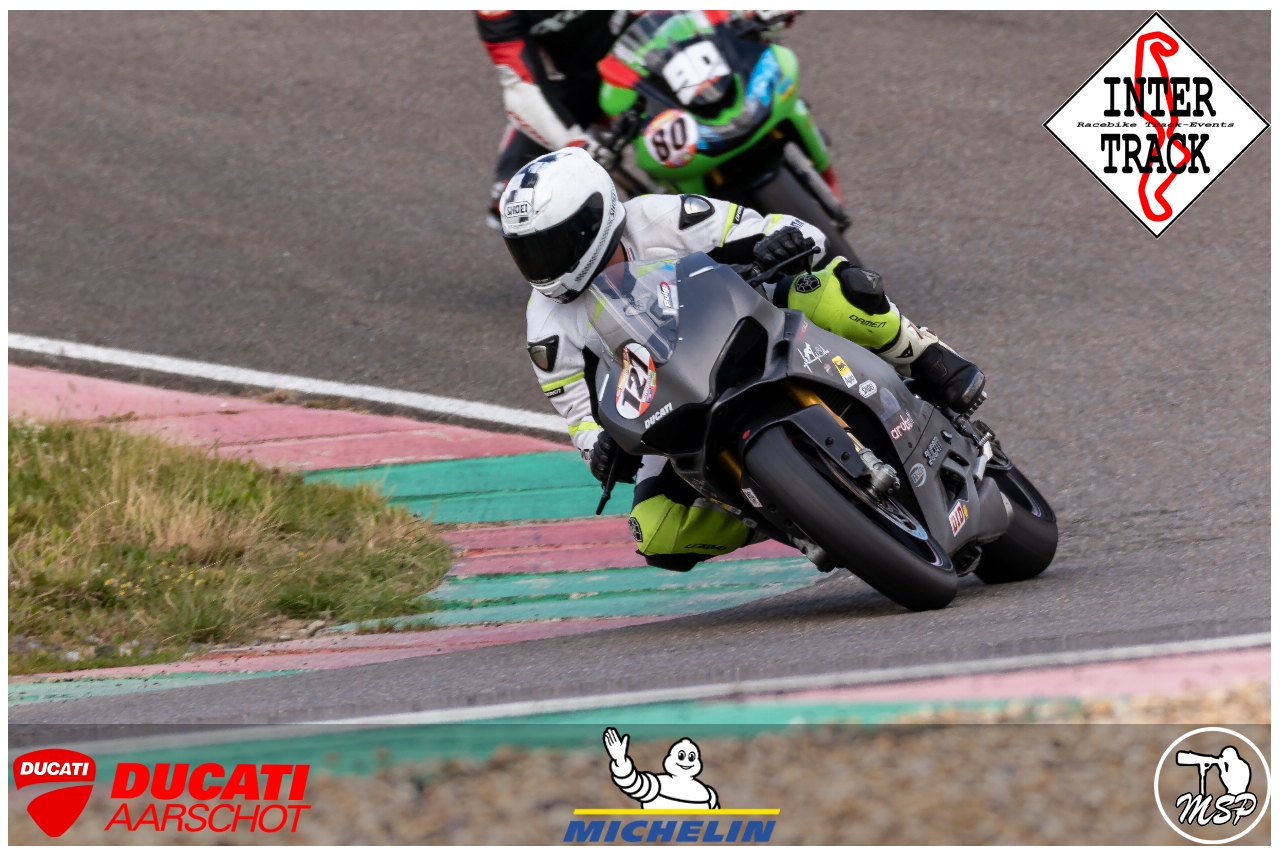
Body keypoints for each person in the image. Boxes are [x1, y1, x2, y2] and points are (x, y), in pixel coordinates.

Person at [502, 147, 986, 571]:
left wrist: (783, 243)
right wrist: (601, 450)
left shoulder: (661, 217)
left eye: (550, 245)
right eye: (527, 251)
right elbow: (579, 418)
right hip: (672, 404)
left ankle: (925, 356)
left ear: (594, 219)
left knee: (836, 288)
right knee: (656, 530)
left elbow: (788, 231)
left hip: (744, 322)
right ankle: (798, 517)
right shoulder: (546, 328)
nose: (541, 264)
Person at [475, 11, 631, 229]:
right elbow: (521, 84)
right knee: (513, 202)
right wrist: (575, 144)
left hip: (641, 53)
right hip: (577, 85)